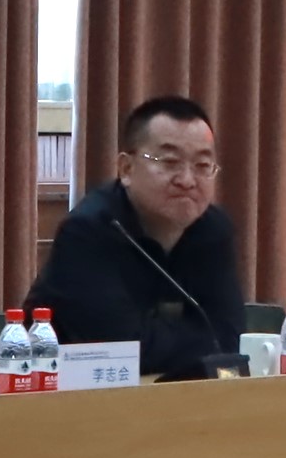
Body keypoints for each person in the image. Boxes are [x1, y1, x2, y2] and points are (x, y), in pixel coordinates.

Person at [26, 96, 248, 381]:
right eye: (170, 162)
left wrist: (155, 337)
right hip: (54, 392)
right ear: (126, 169)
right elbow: (120, 350)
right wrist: (197, 338)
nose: (187, 180)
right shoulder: (86, 232)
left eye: (203, 165)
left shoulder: (214, 230)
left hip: (174, 391)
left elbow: (228, 339)